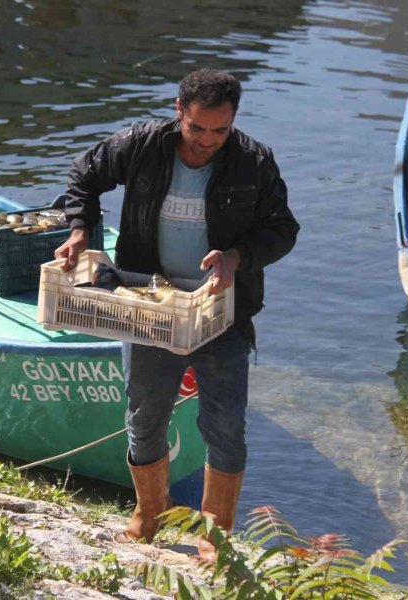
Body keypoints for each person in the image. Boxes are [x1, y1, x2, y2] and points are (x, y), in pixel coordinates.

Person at [54, 68, 299, 555]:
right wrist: (81, 228)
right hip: (150, 304)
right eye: (197, 128)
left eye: (220, 131)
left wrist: (237, 258)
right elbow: (85, 174)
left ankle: (216, 536)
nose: (208, 141)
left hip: (220, 309)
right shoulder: (142, 145)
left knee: (226, 424)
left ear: (233, 122)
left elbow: (283, 229)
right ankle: (148, 514)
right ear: (178, 112)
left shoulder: (254, 162)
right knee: (144, 417)